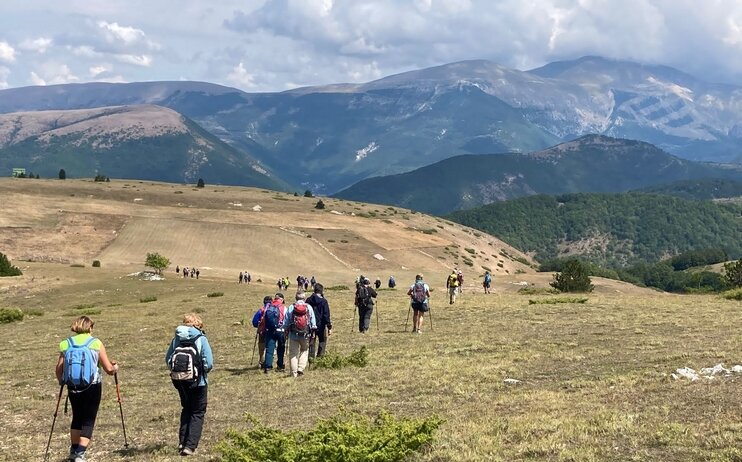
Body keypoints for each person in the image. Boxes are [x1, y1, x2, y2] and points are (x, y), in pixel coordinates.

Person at [55, 316, 118, 462]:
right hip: (92, 386)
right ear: (90, 327)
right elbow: (108, 368)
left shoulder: (66, 343)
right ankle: (80, 454)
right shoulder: (95, 343)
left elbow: (58, 369)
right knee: (88, 419)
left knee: (77, 417)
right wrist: (115, 368)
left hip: (72, 386)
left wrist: (62, 382)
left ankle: (74, 450)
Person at [165, 313, 213, 456]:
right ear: (198, 325)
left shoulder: (176, 340)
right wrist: (202, 371)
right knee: (198, 411)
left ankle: (182, 442)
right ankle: (190, 446)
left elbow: (168, 359)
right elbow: (209, 363)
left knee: (186, 408)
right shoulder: (201, 339)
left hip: (180, 381)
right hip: (199, 381)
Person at [284, 292, 317, 377]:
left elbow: (286, 322)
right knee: (304, 350)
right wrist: (313, 332)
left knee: (293, 353)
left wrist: (285, 331)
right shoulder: (308, 307)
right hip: (305, 334)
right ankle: (300, 369)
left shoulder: (291, 307)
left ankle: (293, 373)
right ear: (304, 298)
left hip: (293, 334)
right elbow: (313, 322)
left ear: (296, 298)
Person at [261, 293, 287, 373]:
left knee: (269, 349)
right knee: (281, 348)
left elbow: (264, 319)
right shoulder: (283, 307)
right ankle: (280, 365)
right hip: (280, 330)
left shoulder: (268, 307)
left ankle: (268, 366)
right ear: (281, 299)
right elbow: (286, 319)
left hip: (270, 330)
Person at [306, 283, 332, 358]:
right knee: (322, 341)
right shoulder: (324, 301)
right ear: (321, 291)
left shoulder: (308, 300)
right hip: (321, 325)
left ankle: (311, 359)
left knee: (311, 342)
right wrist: (329, 326)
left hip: (310, 325)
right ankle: (320, 357)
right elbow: (326, 314)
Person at [251, 296, 273, 368]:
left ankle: (262, 361)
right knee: (270, 346)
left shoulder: (261, 310)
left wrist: (259, 326)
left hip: (262, 332)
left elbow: (254, 322)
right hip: (271, 331)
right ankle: (269, 362)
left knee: (262, 346)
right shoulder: (273, 310)